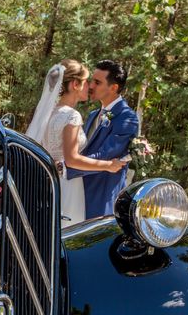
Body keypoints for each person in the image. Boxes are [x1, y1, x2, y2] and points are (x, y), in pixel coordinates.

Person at [26, 59, 126, 227]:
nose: (90, 86)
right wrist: (108, 165)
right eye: (86, 82)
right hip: (67, 186)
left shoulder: (49, 113)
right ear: (75, 84)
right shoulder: (72, 116)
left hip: (46, 182)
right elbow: (72, 159)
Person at [67, 59, 139, 218]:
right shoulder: (94, 115)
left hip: (100, 197)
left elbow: (104, 156)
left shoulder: (127, 118)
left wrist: (67, 167)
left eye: (97, 82)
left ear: (114, 87)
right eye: (92, 80)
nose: (91, 86)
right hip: (77, 192)